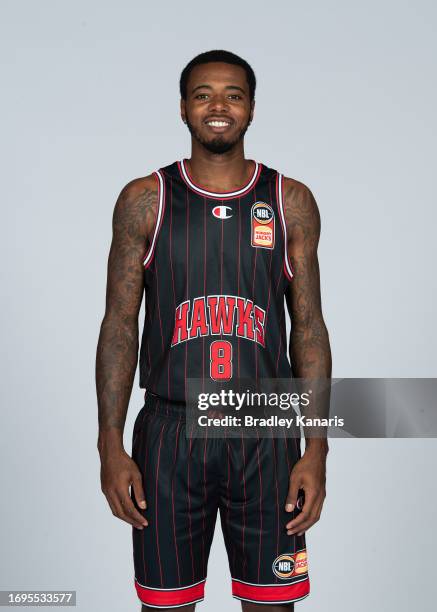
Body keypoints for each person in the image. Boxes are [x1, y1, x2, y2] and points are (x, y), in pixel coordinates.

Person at [96, 49, 331, 611]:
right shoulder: (144, 201)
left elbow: (310, 330)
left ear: (251, 108)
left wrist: (317, 445)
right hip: (169, 435)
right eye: (203, 95)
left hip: (266, 433)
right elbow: (119, 326)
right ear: (183, 108)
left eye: (233, 95)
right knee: (166, 604)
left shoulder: (288, 201)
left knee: (272, 604)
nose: (218, 106)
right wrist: (109, 440)